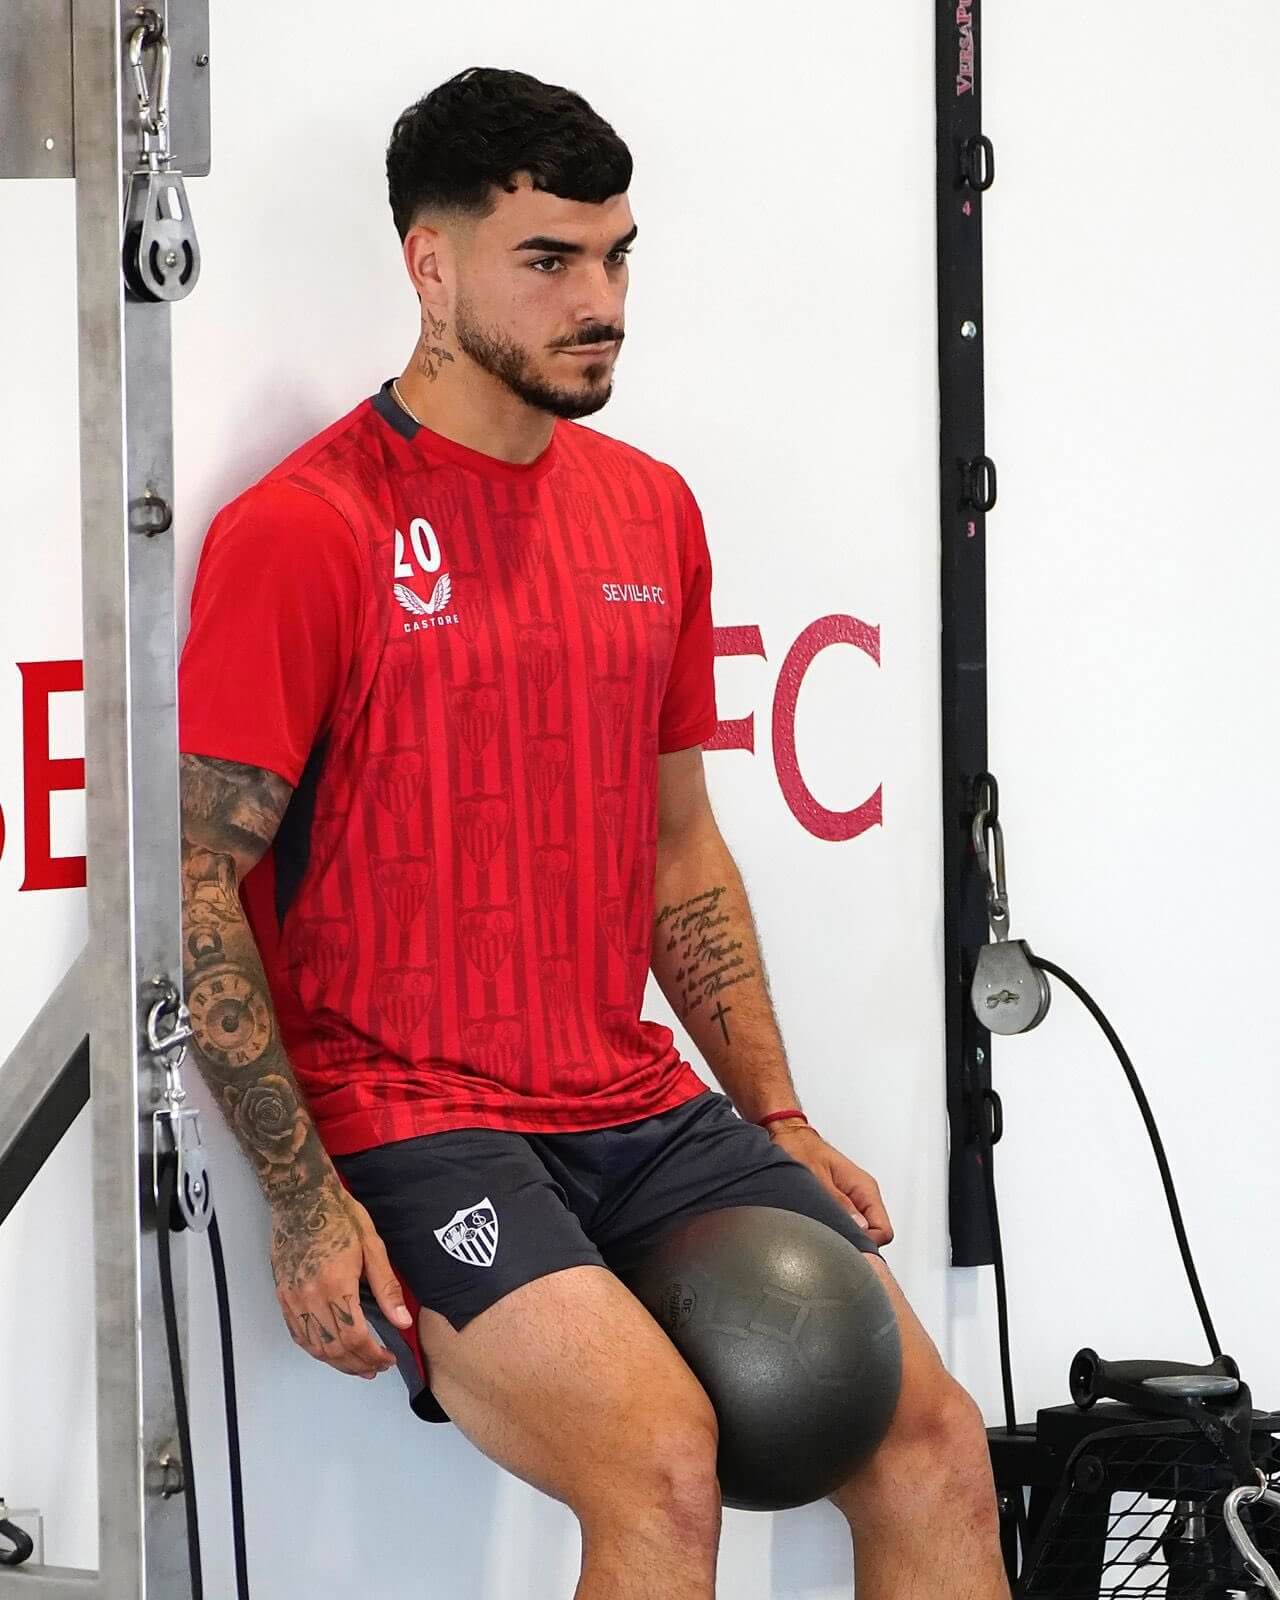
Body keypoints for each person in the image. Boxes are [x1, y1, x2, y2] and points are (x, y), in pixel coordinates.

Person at [176, 65, 1010, 1600]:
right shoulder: (310, 528)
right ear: (430, 266)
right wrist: (303, 1203)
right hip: (414, 1115)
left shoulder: (650, 511)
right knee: (660, 1464)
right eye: (550, 260)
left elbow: (679, 851)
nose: (602, 298)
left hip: (630, 1100)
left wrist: (776, 1114)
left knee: (936, 1441)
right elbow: (199, 885)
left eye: (617, 255)